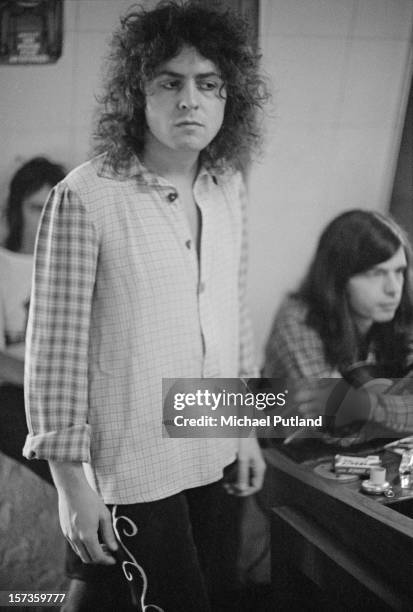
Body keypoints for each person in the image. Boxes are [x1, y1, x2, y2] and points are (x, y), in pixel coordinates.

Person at [23, 2, 269, 611]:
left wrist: (246, 430)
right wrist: (70, 485)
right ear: (139, 91)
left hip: (209, 449)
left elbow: (230, 316)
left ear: (227, 98)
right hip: (129, 465)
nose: (191, 100)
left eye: (208, 84)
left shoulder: (227, 184)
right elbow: (53, 352)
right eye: (171, 81)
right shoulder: (85, 196)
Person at [264, 209, 413, 444]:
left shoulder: (400, 311)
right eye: (376, 273)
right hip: (291, 461)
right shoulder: (299, 318)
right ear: (339, 278)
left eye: (400, 272)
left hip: (374, 460)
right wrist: (396, 413)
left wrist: (365, 406)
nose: (393, 289)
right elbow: (331, 430)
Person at [0, 157, 65, 482]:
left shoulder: (73, 264)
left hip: (74, 390)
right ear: (15, 209)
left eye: (53, 210)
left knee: (235, 415)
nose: (46, 220)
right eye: (36, 208)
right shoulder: (3, 266)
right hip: (18, 394)